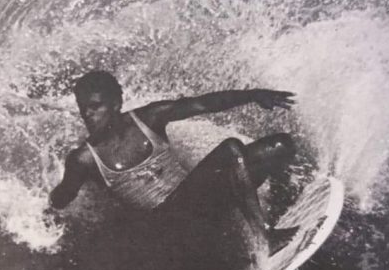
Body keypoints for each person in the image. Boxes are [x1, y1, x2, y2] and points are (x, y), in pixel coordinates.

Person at [49, 70, 298, 241]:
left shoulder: (148, 117)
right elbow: (63, 197)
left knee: (279, 146)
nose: (88, 115)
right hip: (168, 226)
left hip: (200, 204)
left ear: (116, 104)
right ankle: (265, 236)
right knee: (232, 149)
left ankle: (276, 209)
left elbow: (203, 104)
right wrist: (39, 216)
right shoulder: (84, 158)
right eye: (84, 109)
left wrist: (253, 95)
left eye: (95, 107)